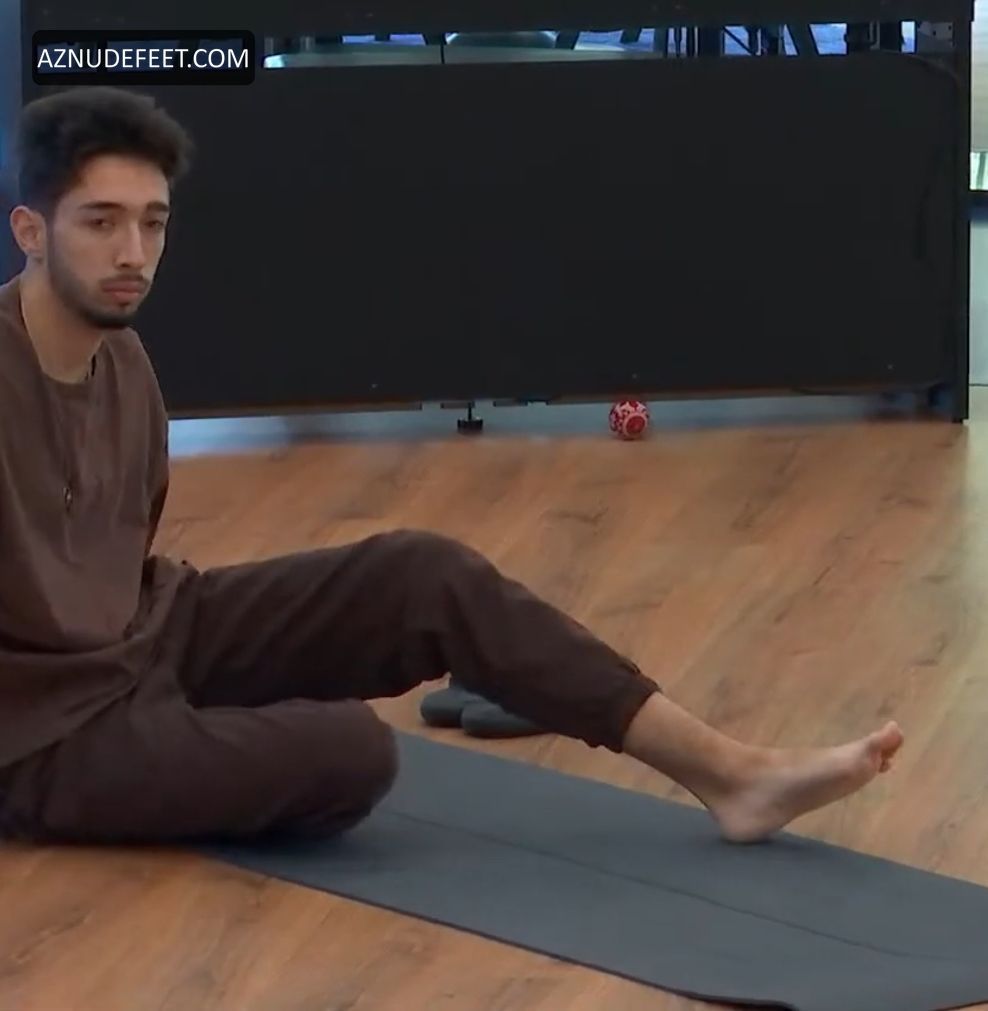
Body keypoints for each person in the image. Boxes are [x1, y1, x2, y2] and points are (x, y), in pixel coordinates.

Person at [0, 86, 903, 847]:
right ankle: (165, 743)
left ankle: (732, 773)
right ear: (31, 231)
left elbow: (119, 560)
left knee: (420, 573)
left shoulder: (125, 363)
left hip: (143, 637)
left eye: (152, 223)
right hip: (43, 731)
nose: (133, 253)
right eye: (101, 223)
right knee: (350, 752)